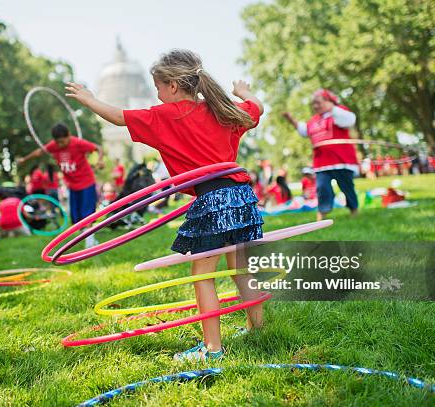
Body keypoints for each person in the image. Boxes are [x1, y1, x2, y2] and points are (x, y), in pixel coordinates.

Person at [65, 48, 265, 361]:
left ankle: (212, 351)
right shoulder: (222, 108)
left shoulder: (163, 117)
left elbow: (119, 117)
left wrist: (89, 99)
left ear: (172, 85)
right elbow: (256, 108)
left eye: (158, 87)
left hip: (211, 200)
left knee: (203, 276)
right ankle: (259, 331)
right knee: (240, 270)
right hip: (241, 198)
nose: (157, 94)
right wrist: (244, 92)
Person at [17, 124, 104, 248]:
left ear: (68, 135)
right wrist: (24, 159)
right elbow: (39, 152)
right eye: (58, 143)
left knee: (87, 214)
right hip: (72, 186)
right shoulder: (54, 145)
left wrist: (100, 160)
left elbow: (98, 148)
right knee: (76, 217)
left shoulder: (78, 143)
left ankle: (89, 243)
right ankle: (88, 239)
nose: (60, 145)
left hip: (86, 183)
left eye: (63, 142)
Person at [283, 89, 359, 220]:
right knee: (322, 188)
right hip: (322, 162)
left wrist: (332, 108)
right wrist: (291, 120)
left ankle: (354, 210)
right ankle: (322, 214)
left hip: (341, 160)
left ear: (328, 101)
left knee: (347, 187)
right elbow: (304, 130)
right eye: (313, 103)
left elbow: (350, 120)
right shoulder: (313, 120)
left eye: (318, 102)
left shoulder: (338, 112)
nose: (315, 106)